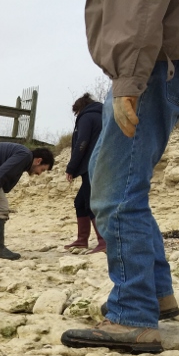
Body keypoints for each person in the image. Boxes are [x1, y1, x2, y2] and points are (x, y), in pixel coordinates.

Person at [61, 0, 179, 353]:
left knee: (115, 188)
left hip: (161, 53)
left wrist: (129, 78)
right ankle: (155, 292)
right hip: (170, 48)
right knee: (111, 176)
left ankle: (132, 313)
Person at [64, 93, 105, 254]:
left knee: (90, 202)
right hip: (102, 163)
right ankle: (82, 239)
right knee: (80, 202)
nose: (77, 115)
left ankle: (103, 241)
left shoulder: (86, 117)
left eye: (76, 112)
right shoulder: (104, 116)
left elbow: (82, 142)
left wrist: (71, 167)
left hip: (92, 165)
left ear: (80, 109)